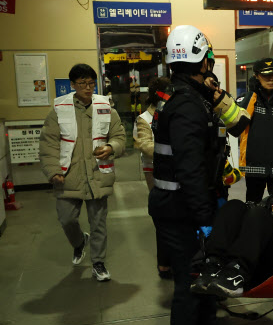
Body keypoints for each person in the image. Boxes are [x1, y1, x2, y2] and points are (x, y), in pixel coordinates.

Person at [148, 25, 239, 325]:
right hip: (181, 209)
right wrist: (204, 218)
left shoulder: (180, 94)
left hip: (179, 204)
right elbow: (190, 168)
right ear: (201, 59)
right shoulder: (187, 104)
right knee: (189, 283)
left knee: (203, 275)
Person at [39, 63, 125, 281]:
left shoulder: (106, 108)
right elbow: (48, 145)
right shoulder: (59, 111)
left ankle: (98, 263)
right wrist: (53, 171)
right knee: (67, 219)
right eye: (82, 83)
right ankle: (79, 242)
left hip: (98, 175)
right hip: (68, 176)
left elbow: (119, 137)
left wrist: (111, 147)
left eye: (90, 83)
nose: (88, 87)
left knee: (99, 223)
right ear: (72, 85)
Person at [190, 195, 273, 297]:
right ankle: (212, 266)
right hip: (242, 253)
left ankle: (237, 273)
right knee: (233, 205)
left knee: (259, 213)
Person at [133, 76, 173, 279]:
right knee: (162, 216)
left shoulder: (171, 113)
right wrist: (173, 152)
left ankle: (171, 259)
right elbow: (145, 145)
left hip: (173, 171)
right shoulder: (144, 119)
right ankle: (164, 263)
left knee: (173, 216)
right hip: (154, 171)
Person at [237, 58, 273, 202]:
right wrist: (253, 90)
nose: (270, 79)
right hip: (255, 168)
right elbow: (239, 122)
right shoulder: (250, 100)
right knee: (252, 209)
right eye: (266, 75)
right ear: (256, 76)